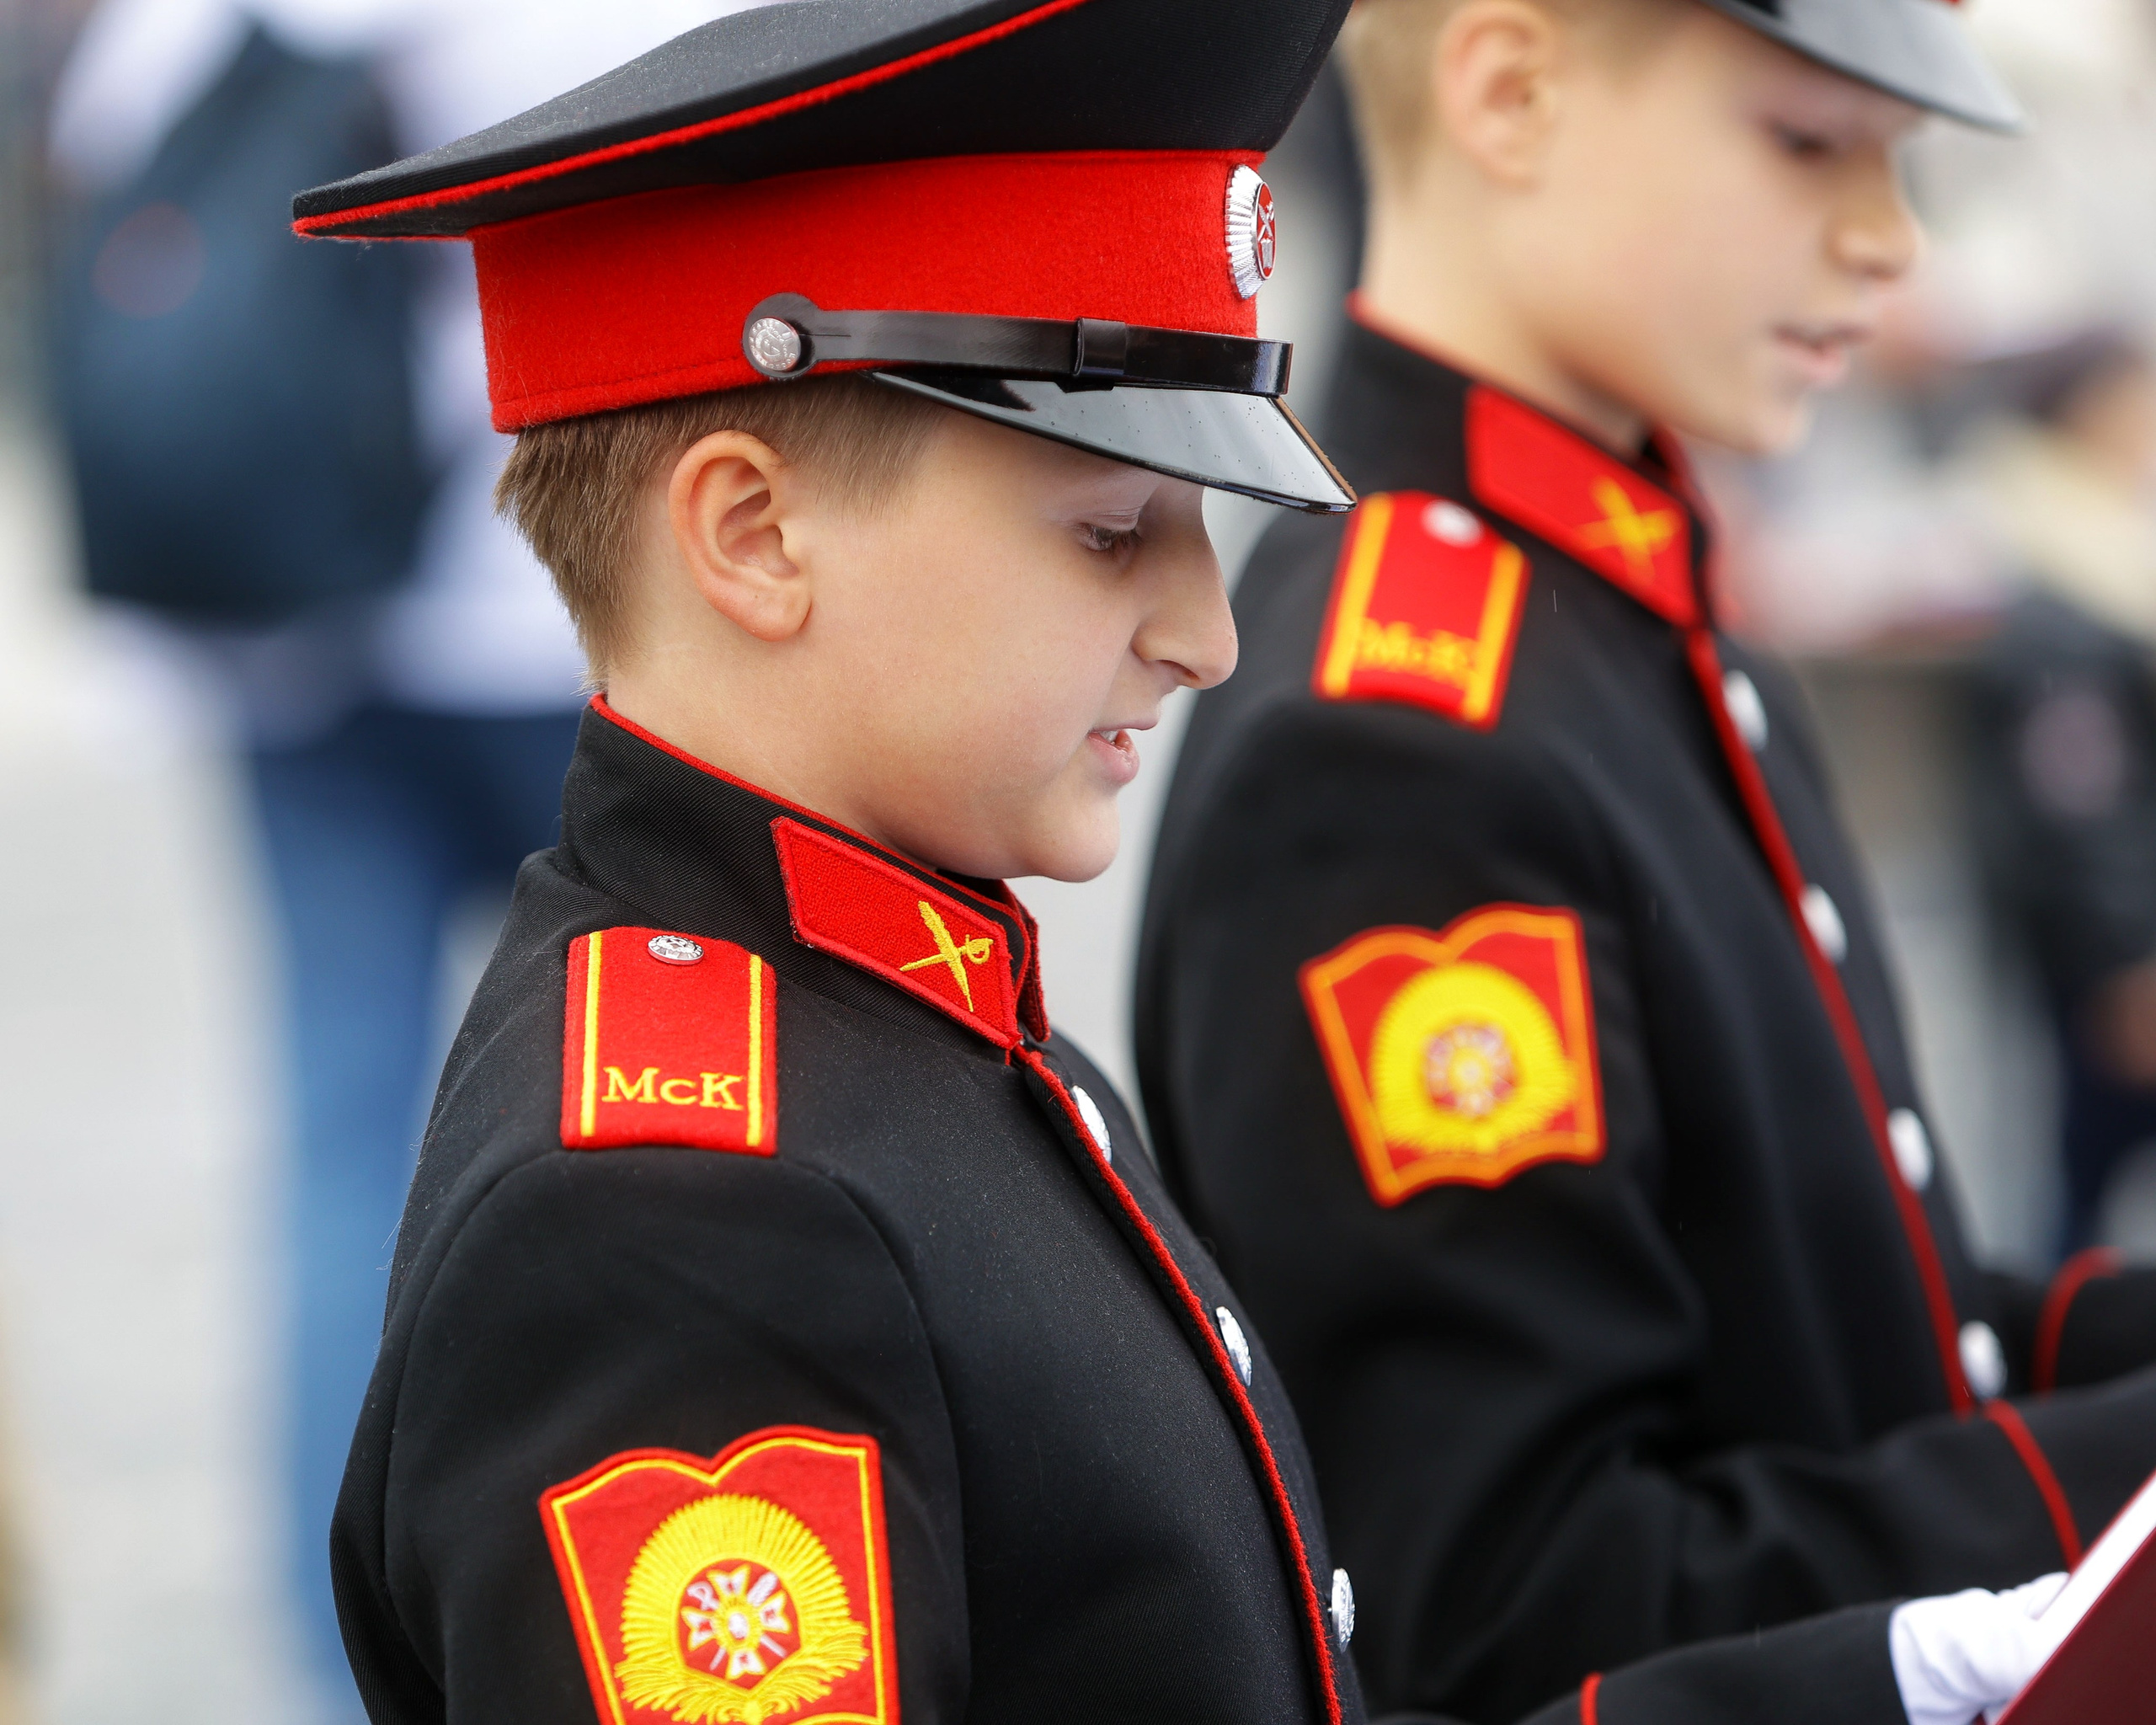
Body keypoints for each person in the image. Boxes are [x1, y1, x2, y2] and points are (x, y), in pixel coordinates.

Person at [291, 3, 2063, 1722]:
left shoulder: (910, 1006)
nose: (1209, 633)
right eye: (1107, 530)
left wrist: (1883, 1679)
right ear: (754, 536)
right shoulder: (676, 1214)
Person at [1135, 1, 2156, 1720]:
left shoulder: (1601, 588)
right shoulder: (1393, 742)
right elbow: (1526, 1600)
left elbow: (1843, 1318)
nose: (1885, 239)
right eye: (1805, 140)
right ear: (1509, 91)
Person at [47, 2, 736, 1708]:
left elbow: (99, 157)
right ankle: (656, 1611)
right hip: (558, 623)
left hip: (293, 633)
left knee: (342, 1144)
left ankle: (344, 1664)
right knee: (663, 1132)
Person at [1961, 333, 2156, 1254]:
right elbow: (2078, 801)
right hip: (2115, 955)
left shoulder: (2101, 551)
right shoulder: (2062, 576)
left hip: (2111, 943)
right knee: (2084, 1172)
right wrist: (2125, 960)